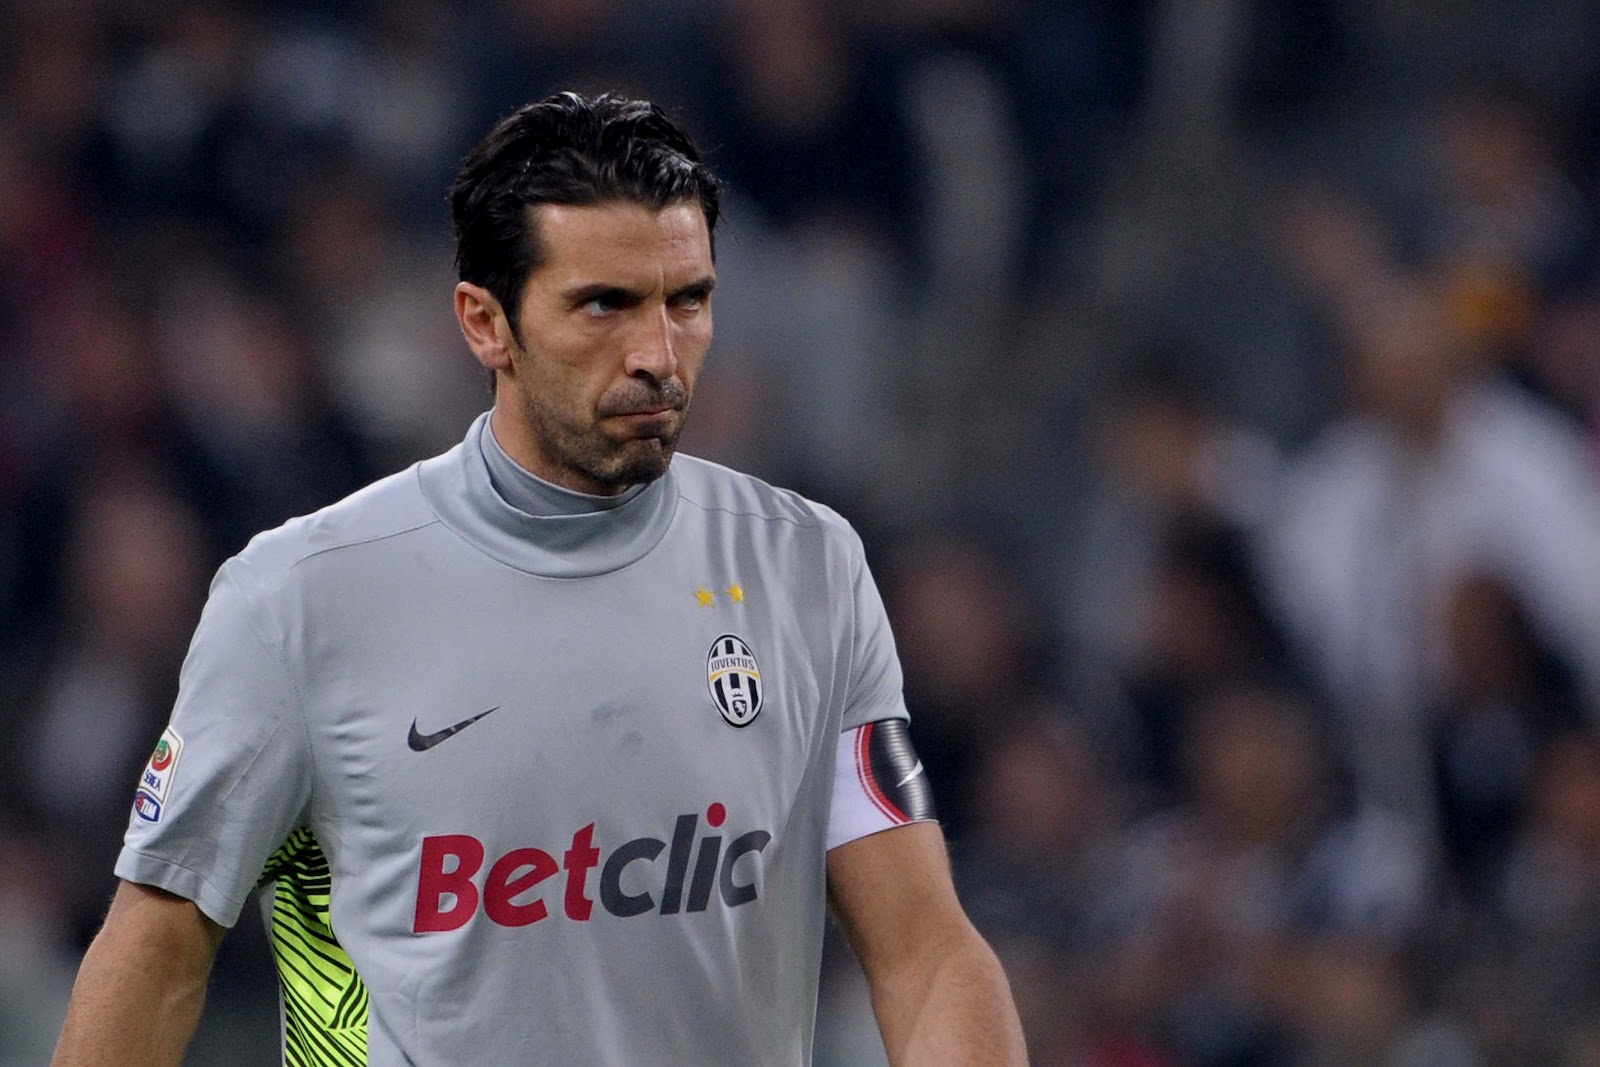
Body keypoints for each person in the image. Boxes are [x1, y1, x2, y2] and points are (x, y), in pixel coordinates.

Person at [50, 92, 1026, 1066]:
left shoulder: (805, 566)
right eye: (604, 304)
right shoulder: (301, 596)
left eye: (687, 300)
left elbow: (925, 952)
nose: (658, 355)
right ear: (486, 323)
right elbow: (157, 951)